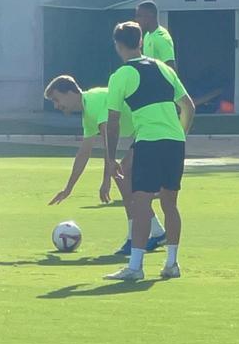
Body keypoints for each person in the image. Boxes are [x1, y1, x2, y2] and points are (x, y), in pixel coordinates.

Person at [102, 22, 195, 282]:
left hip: (149, 142)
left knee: (141, 202)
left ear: (118, 46)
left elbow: (112, 121)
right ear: (141, 41)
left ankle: (135, 266)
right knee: (170, 203)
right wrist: (180, 137)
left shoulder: (121, 75)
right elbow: (188, 108)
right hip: (175, 142)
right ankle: (172, 263)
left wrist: (110, 159)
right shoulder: (164, 69)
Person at [43, 75, 165, 254]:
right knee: (124, 178)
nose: (56, 105)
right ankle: (156, 231)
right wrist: (68, 188)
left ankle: (136, 237)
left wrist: (106, 180)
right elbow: (84, 152)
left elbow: (109, 142)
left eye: (56, 99)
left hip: (154, 128)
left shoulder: (93, 101)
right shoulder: (88, 111)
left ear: (70, 93)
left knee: (122, 175)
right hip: (145, 131)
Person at [135, 1, 177, 69]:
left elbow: (171, 69)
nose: (136, 19)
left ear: (151, 15)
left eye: (139, 16)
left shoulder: (162, 38)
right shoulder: (147, 35)